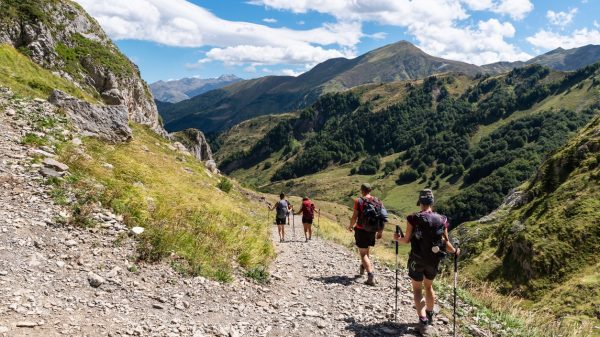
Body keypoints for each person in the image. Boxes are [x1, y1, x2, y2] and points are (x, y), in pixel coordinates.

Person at [394, 189, 460, 335]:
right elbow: (446, 244)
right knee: (428, 286)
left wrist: (397, 238)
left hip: (416, 259)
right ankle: (429, 313)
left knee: (417, 289)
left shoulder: (413, 218)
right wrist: (455, 251)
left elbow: (405, 240)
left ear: (420, 202)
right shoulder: (442, 220)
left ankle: (423, 320)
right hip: (433, 259)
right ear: (432, 202)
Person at [347, 183, 384, 286]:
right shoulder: (378, 201)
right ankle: (363, 267)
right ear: (370, 190)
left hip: (361, 229)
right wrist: (380, 232)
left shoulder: (359, 201)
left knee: (363, 253)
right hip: (372, 230)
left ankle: (370, 275)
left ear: (362, 190)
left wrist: (350, 226)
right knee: (366, 249)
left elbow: (355, 216)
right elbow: (383, 217)